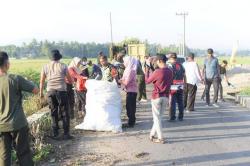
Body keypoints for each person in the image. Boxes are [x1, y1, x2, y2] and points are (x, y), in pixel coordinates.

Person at [0, 51, 39, 166]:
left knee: (3, 156)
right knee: (23, 153)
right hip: (18, 123)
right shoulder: (15, 79)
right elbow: (36, 90)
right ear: (7, 64)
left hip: (1, 125)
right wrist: (29, 81)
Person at [40, 49, 73, 140]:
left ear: (50, 58)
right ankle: (66, 134)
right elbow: (70, 80)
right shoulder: (63, 66)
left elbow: (42, 81)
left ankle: (56, 133)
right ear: (59, 57)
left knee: (53, 112)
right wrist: (66, 80)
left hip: (50, 91)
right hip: (61, 91)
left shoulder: (45, 67)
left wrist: (41, 94)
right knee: (65, 112)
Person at [145, 54, 173, 144]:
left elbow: (147, 81)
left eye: (157, 61)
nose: (156, 62)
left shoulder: (157, 72)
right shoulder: (170, 71)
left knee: (156, 118)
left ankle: (160, 138)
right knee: (159, 118)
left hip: (156, 96)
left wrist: (147, 71)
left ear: (160, 61)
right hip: (166, 96)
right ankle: (152, 134)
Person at [119, 56, 138, 128]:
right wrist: (121, 80)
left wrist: (119, 81)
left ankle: (131, 122)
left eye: (125, 61)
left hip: (131, 91)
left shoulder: (131, 70)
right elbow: (124, 78)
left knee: (130, 107)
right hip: (130, 90)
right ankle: (132, 121)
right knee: (130, 106)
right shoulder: (128, 69)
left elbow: (126, 81)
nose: (124, 63)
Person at [168, 53, 186, 121]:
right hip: (181, 85)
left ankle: (172, 117)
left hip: (173, 86)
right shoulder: (181, 65)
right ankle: (181, 116)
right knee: (180, 102)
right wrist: (184, 84)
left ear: (170, 58)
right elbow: (184, 75)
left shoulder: (170, 66)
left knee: (172, 102)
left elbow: (169, 76)